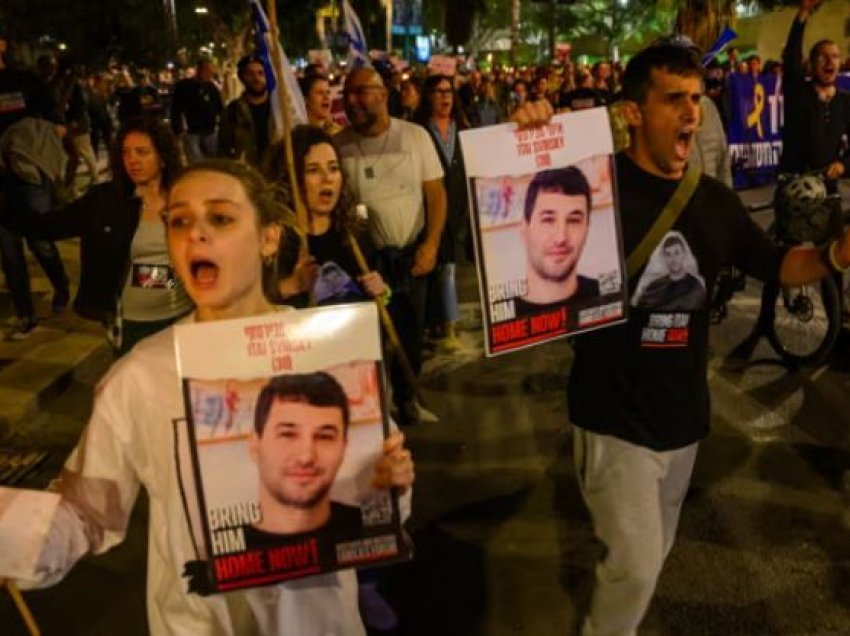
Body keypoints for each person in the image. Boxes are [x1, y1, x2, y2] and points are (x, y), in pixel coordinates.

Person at [513, 40, 850, 636]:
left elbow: (776, 265)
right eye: (674, 99)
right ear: (633, 112)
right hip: (612, 416)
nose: (692, 112)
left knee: (651, 557)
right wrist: (524, 141)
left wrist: (833, 255)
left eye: (696, 98)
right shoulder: (590, 188)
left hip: (684, 422)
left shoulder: (713, 202)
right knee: (637, 568)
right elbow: (513, 235)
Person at [0, 159, 415, 635]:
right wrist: (11, 530)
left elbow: (376, 504)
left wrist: (390, 482)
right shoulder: (140, 375)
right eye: (179, 221)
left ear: (268, 238)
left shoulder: (329, 354)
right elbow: (85, 514)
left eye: (220, 218)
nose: (194, 234)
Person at [20, 118, 193, 354]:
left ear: (162, 157)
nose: (132, 159)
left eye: (142, 152)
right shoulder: (105, 200)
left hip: (184, 318)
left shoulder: (187, 197)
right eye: (126, 152)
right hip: (132, 323)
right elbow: (48, 226)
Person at [334, 67, 447, 426]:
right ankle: (373, 413)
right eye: (346, 94)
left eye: (360, 92)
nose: (351, 101)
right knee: (369, 339)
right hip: (365, 264)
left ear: (383, 95)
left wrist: (430, 245)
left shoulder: (415, 137)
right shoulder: (338, 146)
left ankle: (407, 400)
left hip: (410, 259)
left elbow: (436, 194)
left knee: (409, 335)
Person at [264, 124, 387, 307]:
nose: (327, 178)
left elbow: (383, 301)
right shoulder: (274, 240)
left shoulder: (353, 233)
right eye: (313, 170)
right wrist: (291, 286)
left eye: (333, 168)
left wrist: (382, 291)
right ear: (289, 179)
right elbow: (247, 306)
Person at [0, 38, 70, 340]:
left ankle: (62, 285)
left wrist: (56, 129)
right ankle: (26, 316)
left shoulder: (22, 80)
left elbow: (53, 115)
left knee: (40, 238)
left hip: (29, 172)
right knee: (8, 249)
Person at [245, 372, 362, 547]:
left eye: (325, 436)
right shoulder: (215, 554)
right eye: (288, 434)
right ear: (255, 445)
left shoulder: (367, 527)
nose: (306, 457)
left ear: (344, 447)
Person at [413, 74, 470, 352]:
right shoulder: (419, 131)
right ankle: (446, 323)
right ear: (428, 96)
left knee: (447, 267)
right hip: (430, 208)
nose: (445, 97)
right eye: (438, 91)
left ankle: (443, 322)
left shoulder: (464, 128)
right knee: (441, 268)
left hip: (458, 208)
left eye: (448, 91)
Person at [780, 0, 850, 190]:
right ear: (811, 64)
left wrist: (843, 164)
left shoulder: (845, 102)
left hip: (828, 193)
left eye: (835, 56)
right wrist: (803, 14)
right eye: (823, 56)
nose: (830, 61)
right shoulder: (798, 93)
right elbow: (791, 58)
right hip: (795, 190)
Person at [514, 166, 599, 317]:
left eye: (573, 221)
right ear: (524, 229)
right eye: (548, 220)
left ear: (587, 228)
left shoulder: (606, 296)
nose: (561, 238)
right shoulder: (501, 312)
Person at [218, 54, 274, 167]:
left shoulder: (279, 108)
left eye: (260, 73)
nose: (256, 78)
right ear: (242, 77)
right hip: (247, 175)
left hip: (276, 176)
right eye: (250, 74)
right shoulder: (232, 111)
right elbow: (223, 150)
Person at [633, 232, 706, 311]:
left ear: (684, 254)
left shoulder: (695, 286)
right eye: (668, 254)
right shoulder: (655, 285)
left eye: (677, 253)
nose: (673, 259)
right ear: (664, 257)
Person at [170, 59, 224, 162]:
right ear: (199, 70)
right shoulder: (184, 86)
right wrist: (178, 129)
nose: (209, 74)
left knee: (213, 162)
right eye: (206, 70)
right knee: (197, 163)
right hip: (192, 132)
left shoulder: (212, 88)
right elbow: (176, 109)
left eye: (210, 71)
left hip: (210, 131)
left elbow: (219, 108)